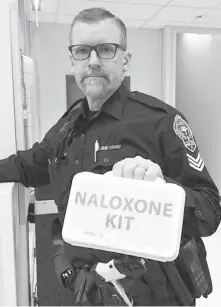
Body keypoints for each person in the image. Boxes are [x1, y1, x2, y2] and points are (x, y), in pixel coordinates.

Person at [0, 6, 220, 306]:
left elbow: (209, 211)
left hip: (153, 296)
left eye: (105, 50)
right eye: (82, 51)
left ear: (124, 59)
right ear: (72, 60)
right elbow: (33, 164)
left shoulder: (160, 122)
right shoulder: (68, 125)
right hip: (85, 292)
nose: (92, 61)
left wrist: (163, 188)